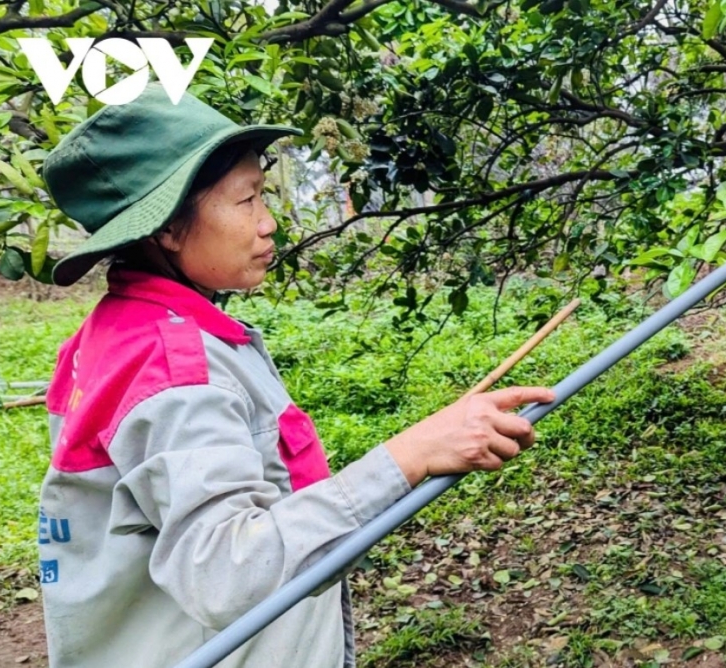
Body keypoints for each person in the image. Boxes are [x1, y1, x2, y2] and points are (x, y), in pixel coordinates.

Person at [37, 82, 553, 668]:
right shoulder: (175, 369)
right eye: (246, 200)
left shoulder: (107, 336)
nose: (268, 223)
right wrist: (410, 456)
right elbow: (225, 573)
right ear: (169, 230)